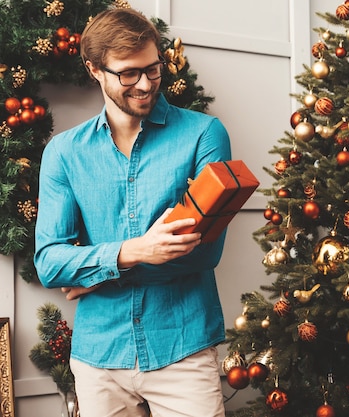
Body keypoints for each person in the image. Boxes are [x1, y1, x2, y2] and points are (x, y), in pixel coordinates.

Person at [34, 7, 231, 417]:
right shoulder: (64, 152)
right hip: (98, 360)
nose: (145, 84)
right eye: (128, 74)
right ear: (94, 70)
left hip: (183, 350)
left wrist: (93, 274)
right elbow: (50, 264)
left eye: (153, 69)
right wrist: (135, 252)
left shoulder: (203, 134)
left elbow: (205, 251)